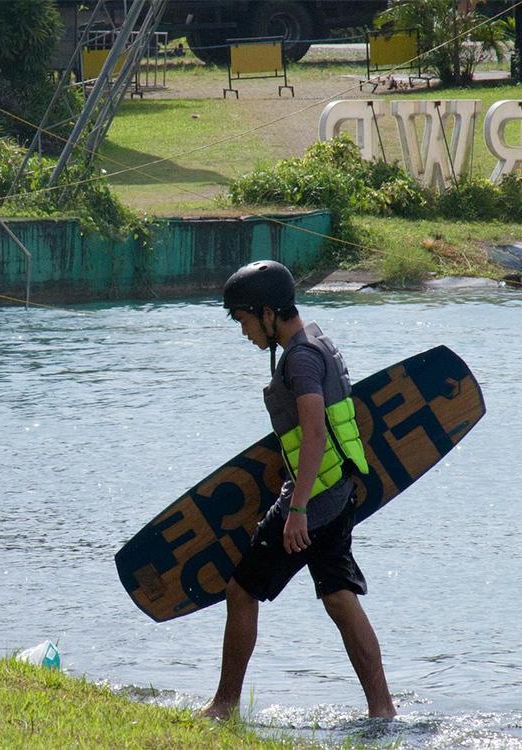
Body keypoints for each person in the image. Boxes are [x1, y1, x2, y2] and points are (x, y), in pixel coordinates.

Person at [201, 260, 396, 721]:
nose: (243, 331)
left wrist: (297, 510)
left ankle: (224, 707)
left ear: (267, 313)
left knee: (242, 590)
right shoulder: (318, 341)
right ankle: (382, 710)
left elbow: (315, 435)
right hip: (340, 490)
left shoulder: (301, 360)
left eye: (243, 320)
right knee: (338, 597)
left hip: (315, 501)